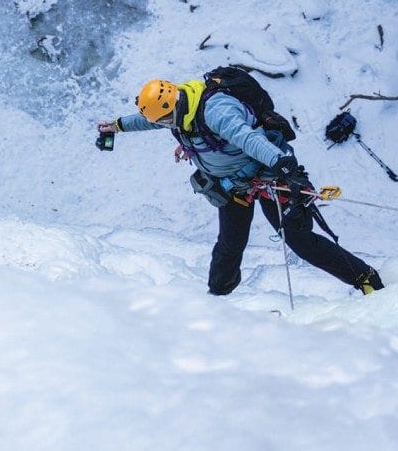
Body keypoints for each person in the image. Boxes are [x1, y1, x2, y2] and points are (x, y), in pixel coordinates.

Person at [97, 76, 384, 296]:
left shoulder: (216, 111)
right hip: (234, 186)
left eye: (162, 119)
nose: (162, 124)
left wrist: (284, 165)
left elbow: (247, 137)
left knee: (300, 241)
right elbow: (148, 121)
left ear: (171, 106)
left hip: (272, 176)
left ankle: (366, 278)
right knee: (229, 245)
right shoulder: (176, 110)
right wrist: (117, 126)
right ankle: (219, 300)